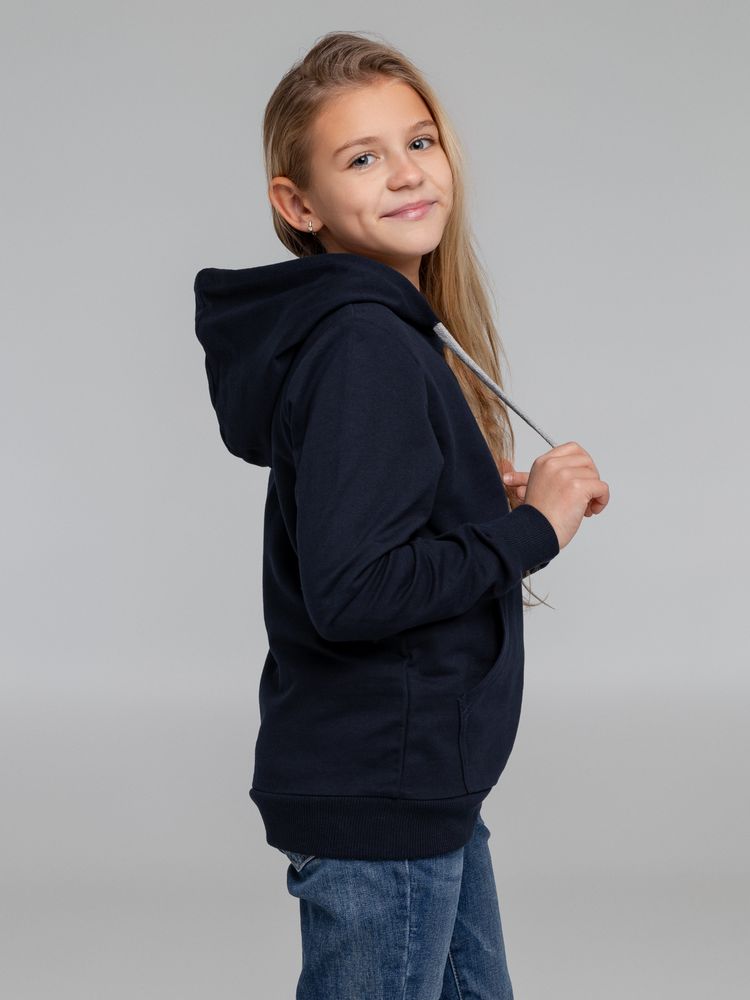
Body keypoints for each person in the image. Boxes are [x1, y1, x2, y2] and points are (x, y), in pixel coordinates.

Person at [193, 30, 609, 1000]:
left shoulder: (388, 332)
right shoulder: (364, 347)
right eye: (362, 158)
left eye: (419, 142)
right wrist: (534, 530)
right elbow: (354, 592)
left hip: (417, 788)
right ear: (299, 204)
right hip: (384, 786)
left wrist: (474, 498)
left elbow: (366, 532)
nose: (407, 172)